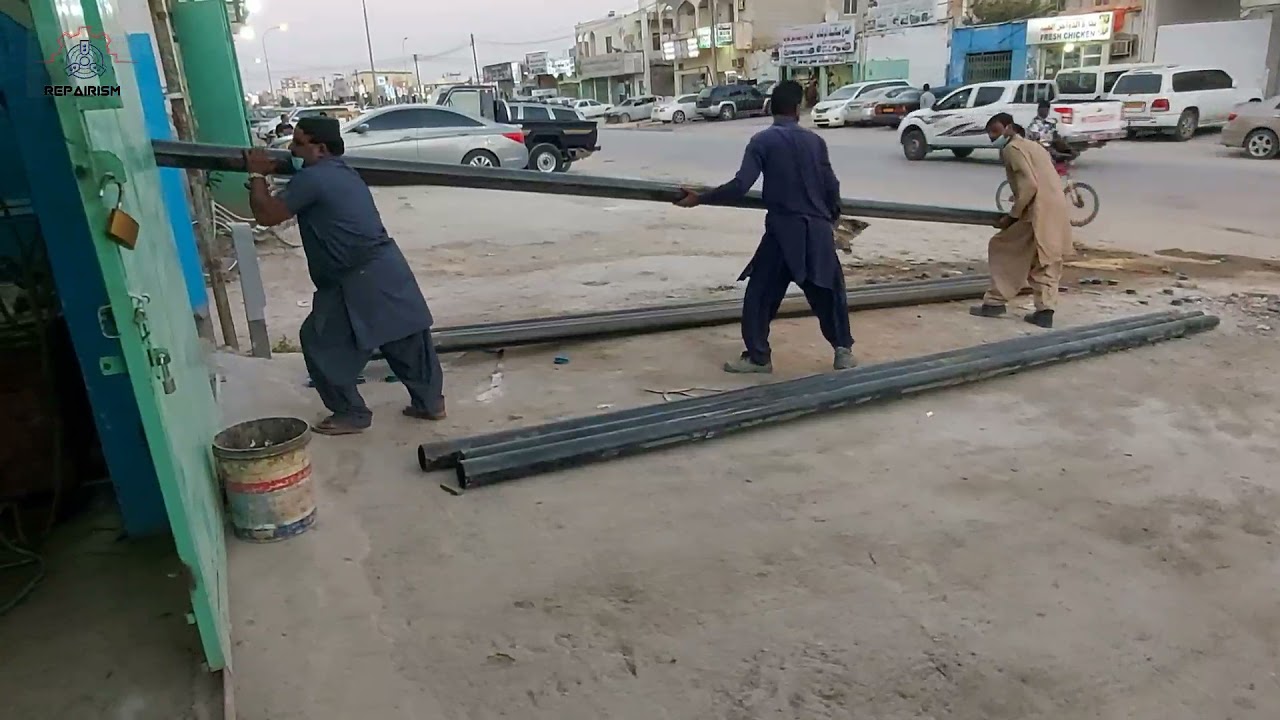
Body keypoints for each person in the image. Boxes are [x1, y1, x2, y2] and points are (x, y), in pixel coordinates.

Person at [243, 117, 446, 435]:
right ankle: (430, 402)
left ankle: (351, 413)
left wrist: (256, 173)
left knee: (320, 343)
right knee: (406, 338)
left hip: (354, 277)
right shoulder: (341, 172)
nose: (291, 150)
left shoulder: (314, 178)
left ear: (320, 148)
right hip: (385, 266)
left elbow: (268, 215)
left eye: (298, 143)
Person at [672, 80, 855, 373]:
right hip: (817, 230)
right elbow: (832, 187)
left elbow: (740, 185)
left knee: (760, 296)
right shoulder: (815, 142)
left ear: (771, 107)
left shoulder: (762, 141)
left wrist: (701, 199)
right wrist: (832, 219)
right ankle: (843, 351)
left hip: (783, 233)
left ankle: (759, 357)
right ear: (798, 108)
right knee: (829, 292)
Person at [970, 112, 1073, 329]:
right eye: (990, 132)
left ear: (1009, 127)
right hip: (1055, 208)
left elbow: (1029, 185)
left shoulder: (1012, 149)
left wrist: (1012, 216)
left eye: (996, 131)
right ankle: (1045, 311)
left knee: (1004, 249)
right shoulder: (1034, 146)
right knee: (1045, 259)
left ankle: (995, 302)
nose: (992, 136)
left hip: (1036, 210)